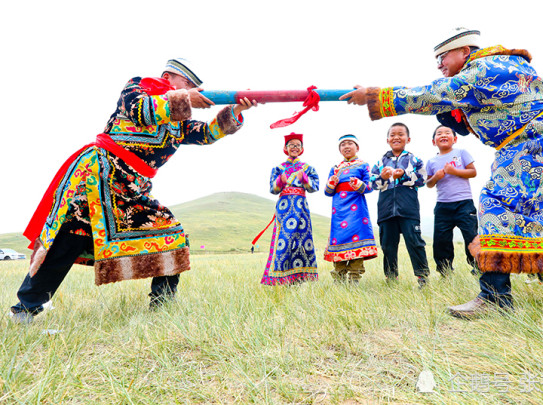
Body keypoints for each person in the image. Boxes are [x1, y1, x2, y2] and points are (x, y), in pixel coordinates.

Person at [341, 28, 543, 317]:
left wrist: (373, 95)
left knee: (497, 203)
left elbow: (434, 93)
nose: (439, 65)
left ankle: (495, 297)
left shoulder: (484, 69)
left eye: (443, 57)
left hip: (535, 144)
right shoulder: (499, 65)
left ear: (463, 51)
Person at [10, 58, 258, 323]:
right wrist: (185, 99)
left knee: (172, 235)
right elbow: (141, 111)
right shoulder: (138, 87)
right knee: (68, 240)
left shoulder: (178, 124)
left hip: (134, 188)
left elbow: (207, 133)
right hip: (97, 176)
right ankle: (26, 309)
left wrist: (235, 111)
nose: (194, 90)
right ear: (169, 77)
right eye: (188, 84)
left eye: (196, 88)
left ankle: (162, 305)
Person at [370, 123, 430, 288]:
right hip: (385, 209)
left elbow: (422, 179)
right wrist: (382, 177)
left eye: (401, 134)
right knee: (388, 245)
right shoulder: (380, 162)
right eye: (393, 134)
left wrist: (404, 174)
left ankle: (422, 278)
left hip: (408, 208)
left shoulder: (414, 160)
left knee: (415, 242)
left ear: (408, 139)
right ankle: (391, 279)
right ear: (387, 139)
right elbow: (372, 184)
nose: (396, 137)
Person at [261, 133, 320, 286]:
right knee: (285, 241)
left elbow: (315, 187)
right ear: (285, 148)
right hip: (284, 208)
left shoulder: (308, 168)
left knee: (302, 241)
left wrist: (305, 180)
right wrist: (280, 181)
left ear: (302, 149)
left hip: (301, 207)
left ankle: (299, 278)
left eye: (297, 145)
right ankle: (281, 278)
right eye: (291, 145)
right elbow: (272, 189)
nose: (294, 147)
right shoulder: (278, 168)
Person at [324, 134, 378, 284]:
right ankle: (338, 279)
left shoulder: (363, 165)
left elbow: (369, 187)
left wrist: (359, 185)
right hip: (339, 212)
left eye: (350, 143)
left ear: (357, 147)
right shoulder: (335, 169)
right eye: (343, 144)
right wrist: (332, 184)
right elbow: (327, 192)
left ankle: (354, 279)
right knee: (339, 241)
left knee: (358, 241)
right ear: (339, 149)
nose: (346, 146)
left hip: (357, 211)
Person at [426, 124, 478, 276]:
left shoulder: (461, 153)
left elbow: (473, 172)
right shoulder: (432, 161)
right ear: (433, 141)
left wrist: (454, 171)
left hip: (464, 203)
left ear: (454, 139)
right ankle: (445, 271)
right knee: (441, 240)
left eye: (447, 132)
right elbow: (429, 184)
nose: (443, 134)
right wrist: (436, 177)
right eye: (439, 133)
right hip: (443, 206)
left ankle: (478, 267)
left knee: (471, 235)